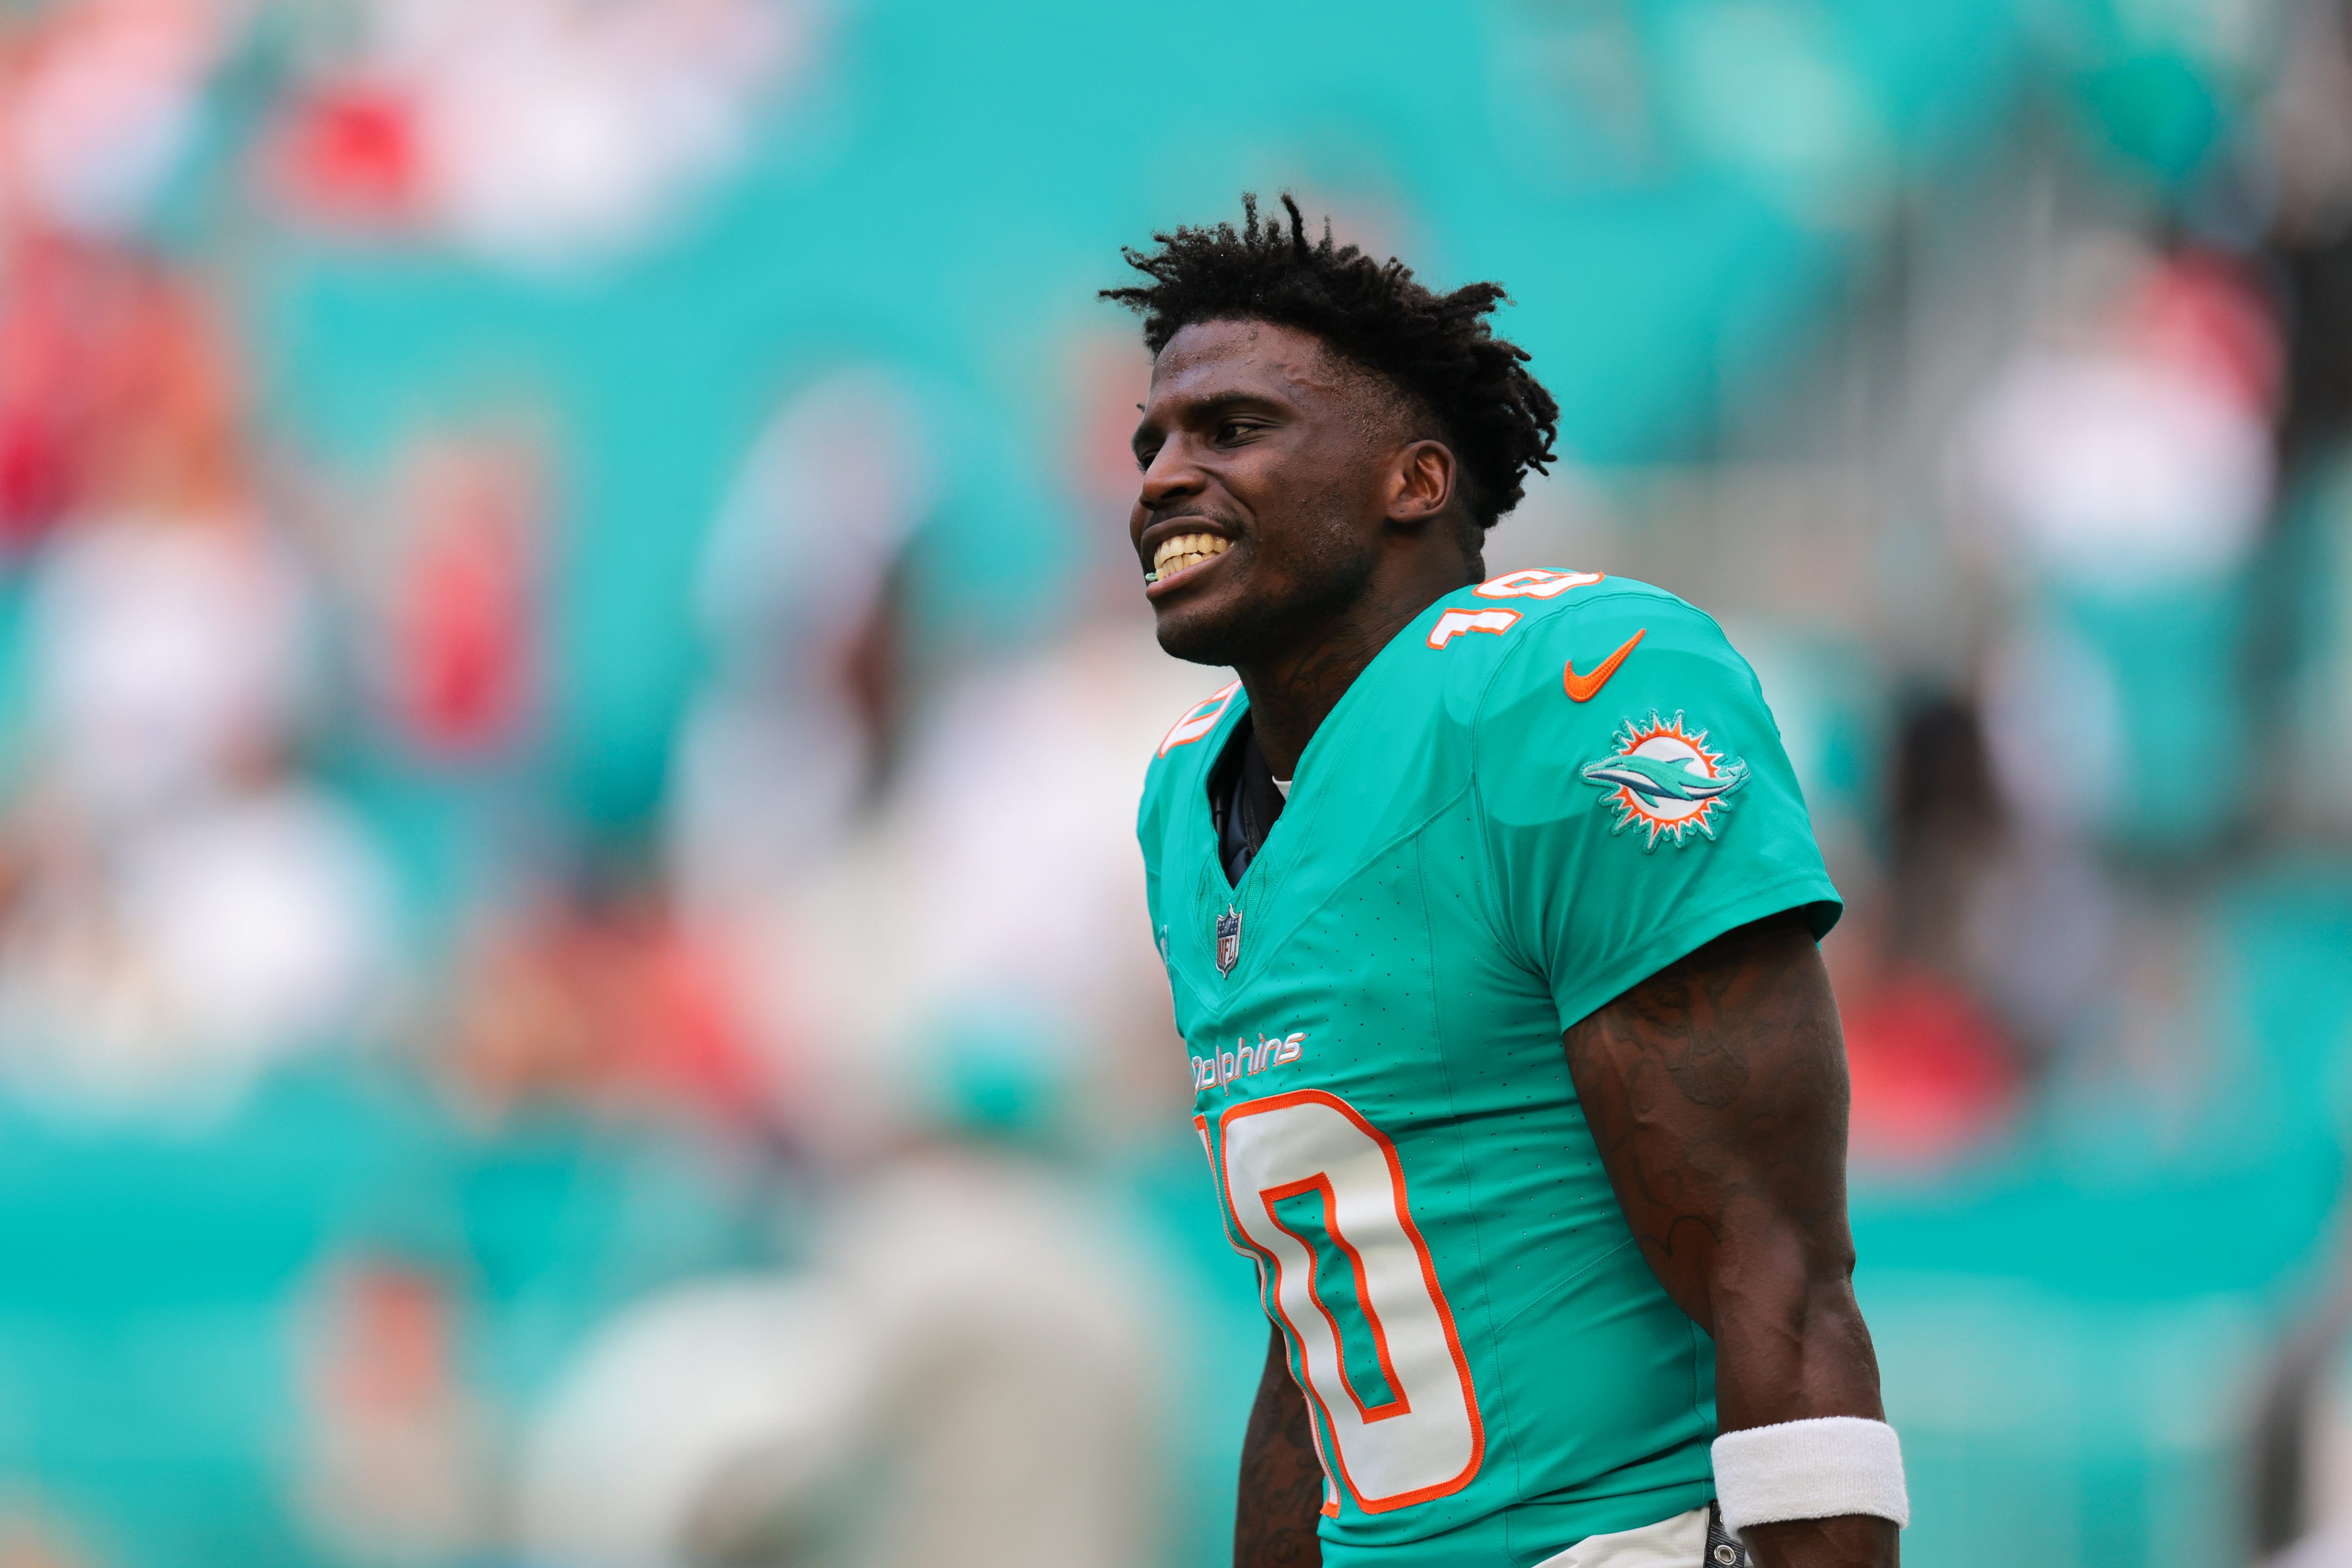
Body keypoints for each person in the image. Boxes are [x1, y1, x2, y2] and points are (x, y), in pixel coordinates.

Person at [1111, 197, 1906, 1568]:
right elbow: (1316, 1335)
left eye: (1232, 430)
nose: (1163, 479)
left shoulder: (1567, 685)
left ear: (1415, 481)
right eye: (1153, 444)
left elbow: (1777, 1271)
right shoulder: (1189, 796)